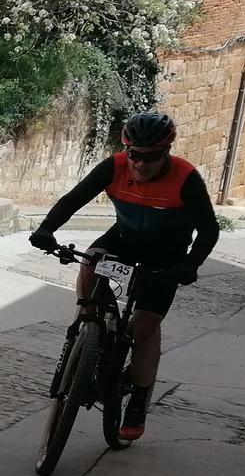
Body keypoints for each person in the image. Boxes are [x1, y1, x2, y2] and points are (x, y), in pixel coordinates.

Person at [28, 111, 219, 443]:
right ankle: (88, 329)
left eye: (150, 157)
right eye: (134, 155)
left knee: (145, 324)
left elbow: (209, 229)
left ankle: (139, 400)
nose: (140, 165)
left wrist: (190, 264)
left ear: (166, 152)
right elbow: (73, 200)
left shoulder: (185, 176)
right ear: (126, 150)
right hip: (125, 240)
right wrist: (47, 229)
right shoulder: (114, 166)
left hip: (166, 253)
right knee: (90, 261)